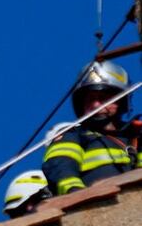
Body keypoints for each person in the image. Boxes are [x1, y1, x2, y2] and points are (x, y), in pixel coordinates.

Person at [42, 60, 138, 195]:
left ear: (121, 101)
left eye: (103, 98)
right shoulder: (73, 135)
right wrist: (75, 193)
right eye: (89, 100)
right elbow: (61, 166)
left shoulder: (136, 135)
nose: (95, 105)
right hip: (95, 203)